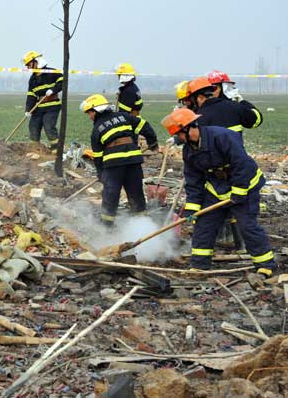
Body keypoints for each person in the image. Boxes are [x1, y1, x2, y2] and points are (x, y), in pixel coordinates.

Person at [161, 108, 275, 277]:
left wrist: (239, 191)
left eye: (180, 134)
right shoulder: (189, 151)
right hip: (217, 189)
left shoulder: (221, 137)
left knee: (247, 225)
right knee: (203, 225)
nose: (181, 139)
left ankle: (265, 264)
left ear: (190, 127)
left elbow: (241, 164)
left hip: (245, 185)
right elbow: (194, 181)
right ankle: (200, 265)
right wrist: (193, 209)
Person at [80, 94, 158, 226]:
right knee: (136, 193)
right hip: (133, 160)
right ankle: (142, 224)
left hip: (113, 164)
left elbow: (98, 157)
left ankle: (107, 226)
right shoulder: (124, 116)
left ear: (96, 110)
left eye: (90, 113)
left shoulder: (97, 129)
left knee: (111, 195)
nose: (89, 117)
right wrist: (152, 141)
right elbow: (144, 126)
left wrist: (101, 174)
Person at [187, 77, 263, 139]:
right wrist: (242, 102)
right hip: (234, 155)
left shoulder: (196, 114)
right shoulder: (235, 106)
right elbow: (256, 121)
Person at [22, 51, 63, 152]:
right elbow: (31, 95)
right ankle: (35, 150)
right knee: (33, 126)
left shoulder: (52, 72)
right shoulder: (32, 79)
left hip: (52, 106)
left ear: (36, 61)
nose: (28, 68)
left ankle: (56, 151)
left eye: (29, 64)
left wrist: (53, 90)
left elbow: (62, 81)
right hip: (38, 107)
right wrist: (28, 110)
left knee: (49, 126)